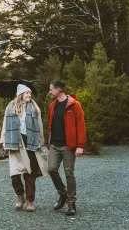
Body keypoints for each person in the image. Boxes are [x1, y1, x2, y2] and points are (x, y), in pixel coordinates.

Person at [0, 84, 47, 212]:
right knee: (14, 174)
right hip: (15, 142)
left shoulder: (34, 109)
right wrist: (4, 141)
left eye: (30, 94)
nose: (29, 96)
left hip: (30, 142)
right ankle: (20, 196)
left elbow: (40, 126)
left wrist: (41, 141)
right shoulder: (10, 108)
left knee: (30, 173)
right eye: (26, 93)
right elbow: (5, 124)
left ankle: (30, 201)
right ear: (20, 94)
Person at [47, 80, 86, 216]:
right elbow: (50, 126)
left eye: (51, 89)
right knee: (51, 169)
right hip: (54, 145)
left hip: (68, 145)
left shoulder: (74, 105)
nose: (49, 91)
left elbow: (81, 126)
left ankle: (71, 203)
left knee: (69, 173)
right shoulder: (52, 106)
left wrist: (80, 146)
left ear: (58, 90)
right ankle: (63, 194)